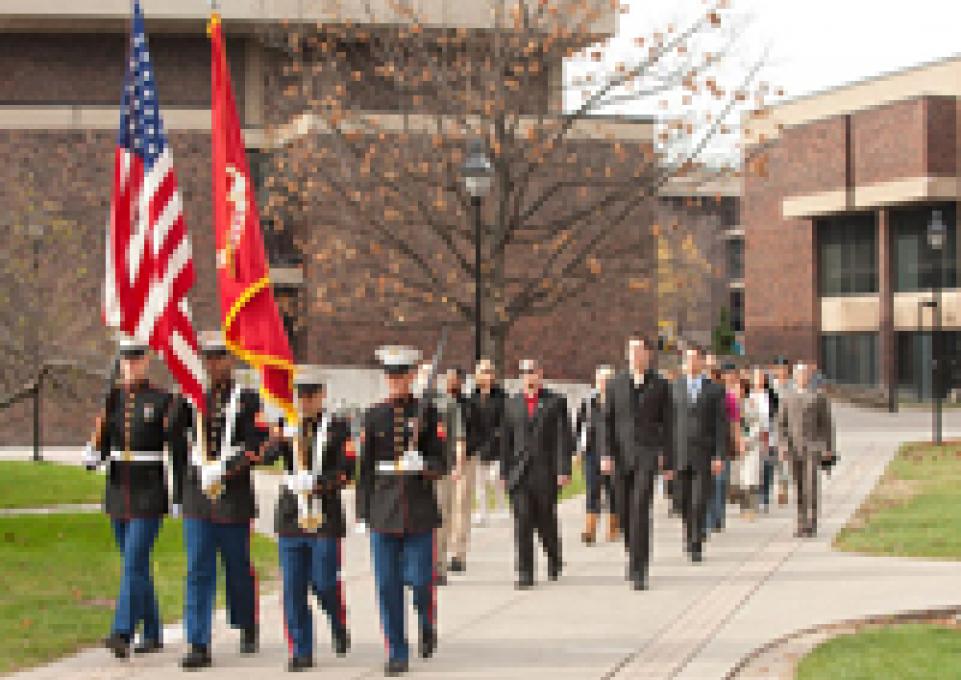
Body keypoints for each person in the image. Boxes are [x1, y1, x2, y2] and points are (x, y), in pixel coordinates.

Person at [82, 335, 188, 659]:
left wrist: (180, 495)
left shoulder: (163, 400)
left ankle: (122, 631)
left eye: (137, 359)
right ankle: (153, 631)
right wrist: (93, 453)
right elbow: (103, 447)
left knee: (133, 562)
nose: (131, 365)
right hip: (118, 491)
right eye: (126, 360)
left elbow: (177, 453)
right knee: (136, 566)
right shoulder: (112, 399)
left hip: (149, 492)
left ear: (146, 360)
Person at [179, 331, 267, 670]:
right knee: (198, 568)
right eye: (209, 358)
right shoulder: (192, 397)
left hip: (233, 498)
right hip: (198, 497)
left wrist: (227, 469)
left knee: (237, 568)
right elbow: (175, 436)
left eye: (220, 358)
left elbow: (255, 446)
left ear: (230, 361)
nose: (214, 364)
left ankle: (246, 621)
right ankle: (198, 641)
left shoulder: (247, 400)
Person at [356, 346, 446, 677]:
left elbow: (441, 463)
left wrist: (422, 464)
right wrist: (362, 513)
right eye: (390, 376)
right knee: (387, 585)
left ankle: (426, 618)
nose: (395, 382)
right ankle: (396, 649)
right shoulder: (374, 415)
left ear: (411, 376)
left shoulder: (429, 413)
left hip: (418, 509)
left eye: (401, 376)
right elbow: (364, 470)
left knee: (421, 581)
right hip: (383, 509)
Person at [262, 367, 354, 672]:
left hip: (324, 513)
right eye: (301, 394)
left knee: (325, 581)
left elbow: (345, 471)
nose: (306, 400)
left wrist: (317, 483)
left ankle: (337, 618)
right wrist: (278, 439)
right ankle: (301, 649)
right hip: (291, 513)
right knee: (293, 588)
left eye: (312, 394)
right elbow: (265, 457)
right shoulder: (286, 423)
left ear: (322, 395)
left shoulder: (339, 427)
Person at [500, 359, 573, 589]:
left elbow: (563, 438)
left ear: (540, 373)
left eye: (531, 372)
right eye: (523, 372)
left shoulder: (555, 402)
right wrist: (504, 472)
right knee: (522, 522)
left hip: (545, 472)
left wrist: (563, 469)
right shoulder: (512, 404)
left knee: (545, 520)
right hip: (519, 473)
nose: (528, 376)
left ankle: (554, 557)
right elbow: (506, 441)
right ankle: (525, 572)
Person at [605, 337, 672, 590]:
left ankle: (639, 567)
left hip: (647, 454)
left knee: (640, 508)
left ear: (648, 354)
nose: (634, 354)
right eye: (630, 350)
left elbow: (668, 423)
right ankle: (632, 552)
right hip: (621, 456)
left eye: (638, 350)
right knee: (623, 511)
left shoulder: (660, 385)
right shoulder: (615, 385)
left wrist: (667, 456)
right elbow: (607, 422)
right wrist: (606, 454)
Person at [666, 345, 727, 562]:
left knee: (699, 500)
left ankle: (696, 542)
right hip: (680, 454)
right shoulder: (673, 388)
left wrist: (719, 455)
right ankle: (688, 532)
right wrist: (666, 458)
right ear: (683, 363)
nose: (692, 363)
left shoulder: (714, 390)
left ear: (702, 362)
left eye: (695, 359)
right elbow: (668, 425)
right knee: (682, 501)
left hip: (704, 454)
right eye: (688, 359)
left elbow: (721, 425)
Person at [778, 361, 835, 538]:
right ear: (794, 377)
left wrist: (828, 448)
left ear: (809, 377)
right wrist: (783, 445)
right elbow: (781, 424)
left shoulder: (818, 396)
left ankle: (812, 521)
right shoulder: (787, 397)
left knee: (811, 485)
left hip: (813, 446)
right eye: (799, 375)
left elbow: (827, 424)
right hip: (794, 447)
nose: (802, 378)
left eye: (805, 375)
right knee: (799, 485)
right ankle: (800, 521)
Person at [431, 366, 466, 585]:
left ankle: (439, 566)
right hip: (416, 472)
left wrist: (458, 465)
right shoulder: (412, 405)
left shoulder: (448, 404)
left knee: (441, 518)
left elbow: (458, 436)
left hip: (442, 469)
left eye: (431, 375)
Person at [575, 365, 617, 545]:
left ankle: (613, 527)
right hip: (591, 452)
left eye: (607, 380)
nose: (603, 383)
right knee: (592, 490)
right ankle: (590, 529)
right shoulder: (588, 401)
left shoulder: (618, 402)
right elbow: (579, 426)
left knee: (612, 491)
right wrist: (577, 450)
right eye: (601, 380)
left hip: (614, 454)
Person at [467, 358, 508, 526]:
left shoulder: (501, 396)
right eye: (482, 371)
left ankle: (501, 507)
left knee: (495, 478)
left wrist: (500, 436)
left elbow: (506, 420)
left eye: (488, 371)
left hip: (497, 444)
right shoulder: (473, 397)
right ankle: (482, 513)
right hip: (478, 444)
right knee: (479, 483)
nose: (486, 375)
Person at [706, 362, 739, 533]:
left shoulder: (727, 397)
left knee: (720, 481)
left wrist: (736, 442)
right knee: (708, 482)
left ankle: (718, 516)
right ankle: (709, 518)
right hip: (704, 444)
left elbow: (734, 422)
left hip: (722, 443)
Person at [739, 369, 770, 519]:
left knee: (752, 477)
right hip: (737, 445)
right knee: (741, 478)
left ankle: (751, 507)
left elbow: (758, 423)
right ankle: (743, 506)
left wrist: (749, 439)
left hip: (751, 444)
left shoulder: (751, 403)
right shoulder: (731, 404)